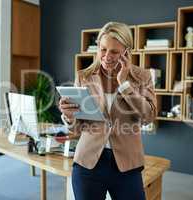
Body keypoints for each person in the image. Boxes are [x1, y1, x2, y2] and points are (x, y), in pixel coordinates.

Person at [59, 22, 157, 200]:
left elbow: (149, 116)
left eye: (114, 51)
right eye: (103, 49)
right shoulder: (84, 77)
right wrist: (69, 116)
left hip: (127, 165)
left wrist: (124, 83)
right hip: (88, 163)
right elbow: (76, 128)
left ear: (126, 52)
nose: (107, 56)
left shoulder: (142, 76)